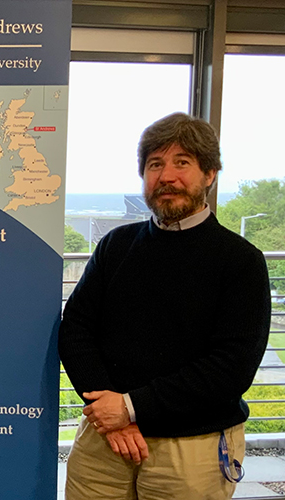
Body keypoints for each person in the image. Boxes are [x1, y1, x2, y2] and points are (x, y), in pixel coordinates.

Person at [58, 112, 270, 500]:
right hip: (104, 439)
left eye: (182, 163)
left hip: (192, 449)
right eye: (155, 164)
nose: (166, 176)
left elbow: (231, 367)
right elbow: (75, 329)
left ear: (210, 174)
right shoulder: (116, 246)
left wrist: (131, 408)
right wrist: (113, 415)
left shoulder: (241, 261)